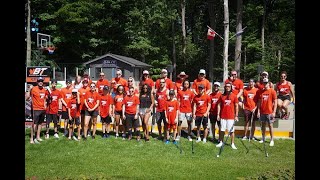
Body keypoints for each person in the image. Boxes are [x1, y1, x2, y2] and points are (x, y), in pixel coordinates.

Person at [216, 82, 239, 150]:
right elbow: (219, 105)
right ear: (224, 87)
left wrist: (236, 115)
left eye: (229, 86)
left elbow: (236, 106)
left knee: (231, 131)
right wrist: (218, 114)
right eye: (226, 86)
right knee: (222, 130)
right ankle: (221, 142)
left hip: (231, 117)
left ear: (231, 87)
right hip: (223, 116)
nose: (227, 87)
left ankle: (232, 143)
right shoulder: (222, 96)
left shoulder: (234, 96)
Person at [256, 78, 277, 146]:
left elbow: (275, 102)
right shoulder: (261, 92)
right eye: (264, 83)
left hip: (270, 112)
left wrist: (274, 112)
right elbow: (259, 102)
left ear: (268, 83)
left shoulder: (272, 91)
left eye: (266, 83)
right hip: (262, 112)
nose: (265, 84)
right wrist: (258, 111)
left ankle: (272, 140)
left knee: (270, 126)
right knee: (263, 126)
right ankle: (263, 138)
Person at [27, 77, 48, 144]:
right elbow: (27, 98)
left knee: (40, 124)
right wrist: (29, 90)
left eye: (42, 81)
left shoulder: (44, 90)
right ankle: (32, 138)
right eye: (39, 81)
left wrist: (45, 104)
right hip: (35, 109)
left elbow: (45, 99)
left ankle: (38, 137)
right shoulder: (33, 89)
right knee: (34, 124)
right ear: (37, 82)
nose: (40, 82)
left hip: (43, 109)